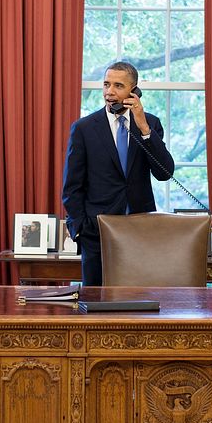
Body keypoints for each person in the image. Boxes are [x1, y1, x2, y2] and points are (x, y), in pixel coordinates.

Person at [61, 61, 175, 285]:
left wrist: (143, 129)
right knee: (97, 304)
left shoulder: (150, 123)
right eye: (106, 84)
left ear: (134, 91)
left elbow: (164, 173)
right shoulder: (84, 128)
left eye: (118, 86)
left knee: (139, 303)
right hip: (97, 233)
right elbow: (71, 187)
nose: (109, 92)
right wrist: (80, 230)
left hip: (140, 231)